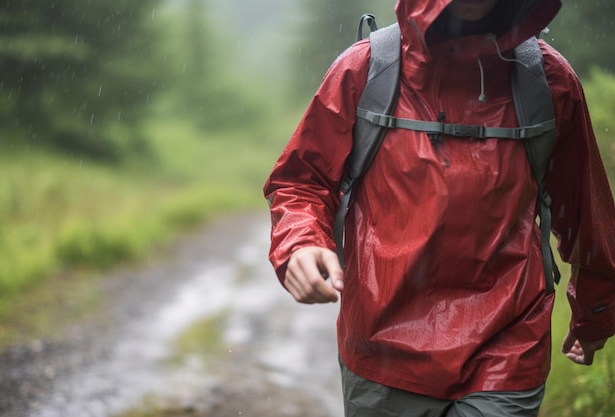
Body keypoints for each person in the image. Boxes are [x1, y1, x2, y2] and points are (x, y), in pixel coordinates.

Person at [263, 0, 615, 415]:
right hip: (382, 352)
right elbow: (302, 182)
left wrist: (596, 312)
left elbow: (587, 213)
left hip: (506, 348)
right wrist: (300, 244)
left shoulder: (547, 80)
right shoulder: (366, 70)